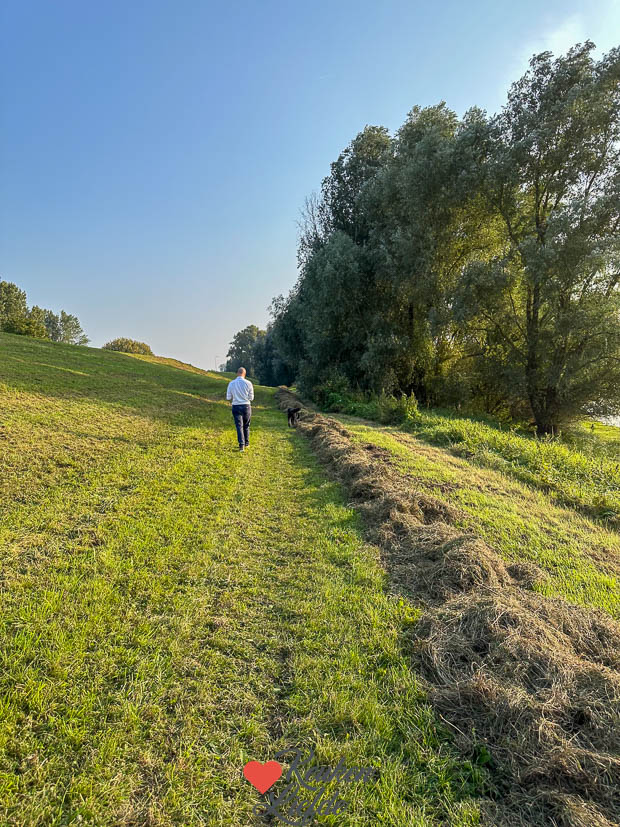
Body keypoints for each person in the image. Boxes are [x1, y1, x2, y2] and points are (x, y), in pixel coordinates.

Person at [226, 367, 254, 451]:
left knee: (239, 426)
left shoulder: (231, 383)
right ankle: (247, 443)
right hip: (246, 406)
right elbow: (251, 398)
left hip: (236, 406)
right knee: (246, 425)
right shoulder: (248, 383)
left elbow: (228, 397)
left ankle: (241, 445)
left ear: (237, 373)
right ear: (244, 374)